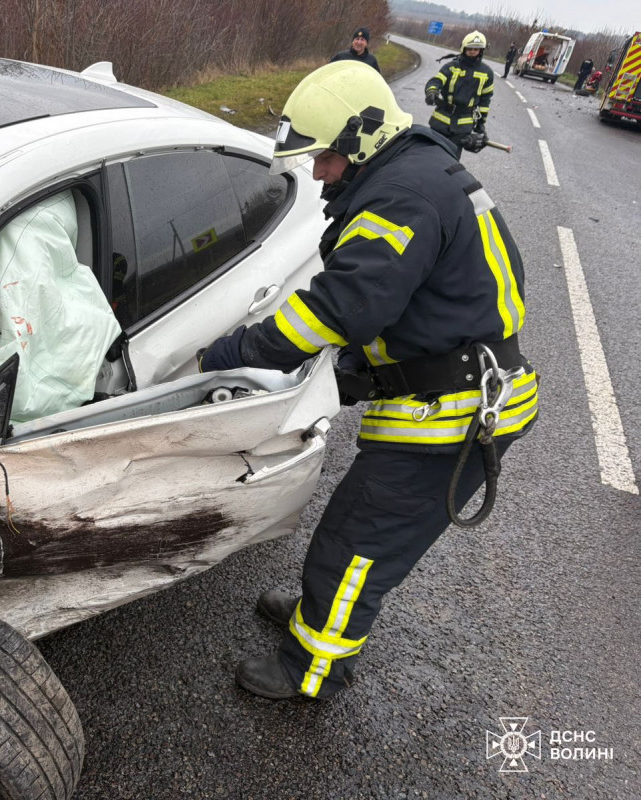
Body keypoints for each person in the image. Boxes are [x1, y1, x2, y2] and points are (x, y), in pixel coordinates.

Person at [199, 60, 538, 700]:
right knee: (358, 531)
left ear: (360, 140)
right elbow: (420, 300)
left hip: (454, 413)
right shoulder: (416, 171)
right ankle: (317, 609)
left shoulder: (400, 199)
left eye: (324, 158)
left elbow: (337, 309)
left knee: (357, 543)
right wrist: (361, 373)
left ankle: (312, 670)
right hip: (455, 388)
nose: (318, 172)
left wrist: (235, 350)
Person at [425, 31, 495, 155]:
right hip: (441, 121)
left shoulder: (486, 73)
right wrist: (432, 91)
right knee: (431, 156)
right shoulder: (451, 67)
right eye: (470, 48)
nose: (472, 51)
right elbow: (436, 81)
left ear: (481, 50)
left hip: (463, 126)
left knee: (451, 159)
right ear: (464, 48)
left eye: (476, 49)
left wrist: (480, 125)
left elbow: (485, 101)